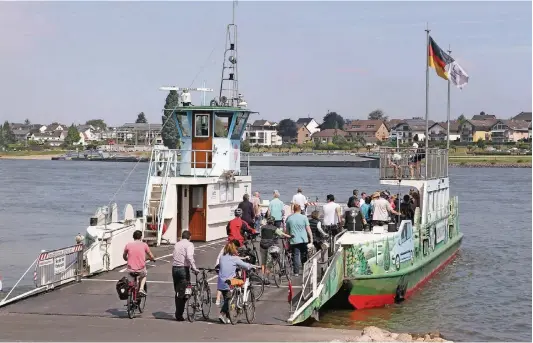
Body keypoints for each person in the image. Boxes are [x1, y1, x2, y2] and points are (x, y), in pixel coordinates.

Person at [217, 241, 255, 324]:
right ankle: (222, 314)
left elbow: (227, 265)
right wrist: (253, 266)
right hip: (230, 282)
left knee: (226, 298)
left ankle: (227, 317)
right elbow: (245, 265)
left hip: (220, 282)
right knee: (228, 299)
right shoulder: (235, 258)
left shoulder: (222, 257)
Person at [172, 230, 199, 321]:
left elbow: (174, 255)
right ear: (189, 237)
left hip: (175, 268)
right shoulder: (189, 244)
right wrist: (194, 267)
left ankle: (178, 313)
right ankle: (180, 313)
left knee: (178, 291)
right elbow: (189, 256)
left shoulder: (177, 244)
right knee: (186, 290)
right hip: (183, 269)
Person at [214, 239, 247, 306]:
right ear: (234, 245)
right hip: (221, 265)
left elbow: (234, 257)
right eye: (237, 247)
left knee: (221, 282)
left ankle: (218, 299)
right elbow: (233, 258)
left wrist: (242, 258)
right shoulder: (229, 248)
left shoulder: (227, 246)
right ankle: (227, 296)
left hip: (219, 265)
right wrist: (243, 258)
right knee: (226, 280)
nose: (237, 249)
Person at [259, 216, 292, 284]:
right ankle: (266, 278)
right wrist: (290, 236)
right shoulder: (275, 228)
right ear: (273, 222)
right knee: (269, 262)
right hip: (269, 245)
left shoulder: (262, 227)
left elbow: (260, 235)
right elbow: (282, 234)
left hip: (262, 245)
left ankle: (262, 276)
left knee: (263, 262)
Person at [123, 230, 155, 296]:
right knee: (144, 276)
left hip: (130, 269)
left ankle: (130, 289)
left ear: (133, 237)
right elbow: (151, 256)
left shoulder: (128, 245)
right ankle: (141, 289)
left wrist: (126, 259)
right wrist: (152, 259)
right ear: (141, 237)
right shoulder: (144, 245)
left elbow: (124, 256)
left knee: (130, 278)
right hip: (141, 270)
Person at [285, 204, 313, 277]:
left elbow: (287, 231)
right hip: (303, 239)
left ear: (293, 209)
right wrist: (311, 238)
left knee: (296, 256)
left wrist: (287, 239)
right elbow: (308, 229)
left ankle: (296, 272)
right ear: (300, 209)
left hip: (294, 239)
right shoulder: (304, 217)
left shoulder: (289, 218)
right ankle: (305, 269)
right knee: (304, 254)